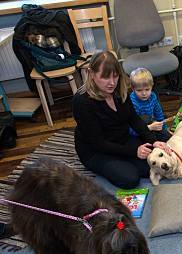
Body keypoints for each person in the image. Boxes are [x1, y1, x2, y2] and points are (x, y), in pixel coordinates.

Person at [72, 51, 170, 189]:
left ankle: (124, 161)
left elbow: (134, 120)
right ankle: (118, 163)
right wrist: (134, 151)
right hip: (96, 150)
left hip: (121, 139)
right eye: (105, 77)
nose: (112, 82)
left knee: (149, 164)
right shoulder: (81, 101)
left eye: (115, 76)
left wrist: (153, 141)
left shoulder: (119, 91)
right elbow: (98, 143)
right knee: (130, 179)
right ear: (91, 73)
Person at [128, 67, 171, 141]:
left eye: (147, 89)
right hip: (137, 132)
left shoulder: (153, 96)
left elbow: (159, 115)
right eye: (139, 90)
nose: (144, 93)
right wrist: (150, 127)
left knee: (168, 137)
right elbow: (131, 130)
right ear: (133, 88)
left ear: (152, 86)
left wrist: (165, 130)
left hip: (150, 125)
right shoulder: (131, 103)